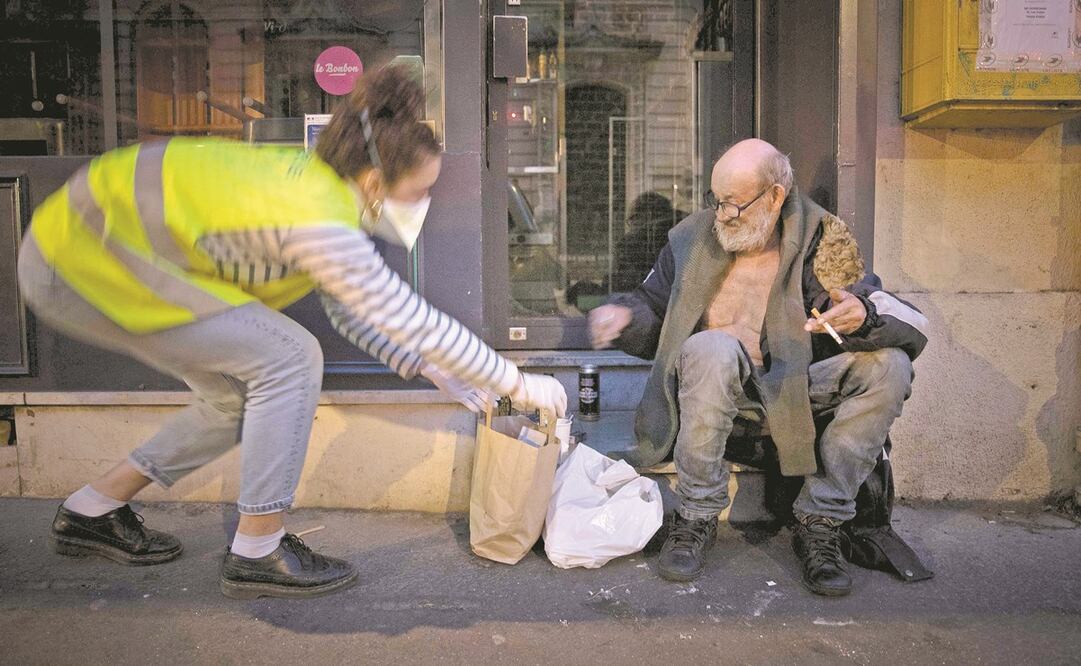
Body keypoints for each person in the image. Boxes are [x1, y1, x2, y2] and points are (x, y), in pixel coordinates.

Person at [17, 65, 567, 600]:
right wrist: (517, 382)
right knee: (289, 356)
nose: (422, 204)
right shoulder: (318, 216)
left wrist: (430, 368)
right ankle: (258, 551)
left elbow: (350, 310)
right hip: (83, 258)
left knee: (233, 399)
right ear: (376, 182)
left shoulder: (321, 191)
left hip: (88, 250)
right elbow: (403, 312)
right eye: (418, 191)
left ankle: (93, 510)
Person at [588, 139, 927, 596]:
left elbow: (904, 319)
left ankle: (820, 522)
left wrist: (863, 315)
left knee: (890, 365)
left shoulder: (823, 241)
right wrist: (625, 317)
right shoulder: (690, 239)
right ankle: (696, 516)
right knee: (711, 346)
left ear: (775, 195)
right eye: (717, 200)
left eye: (735, 203)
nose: (723, 214)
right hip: (719, 395)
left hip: (798, 396)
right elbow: (653, 307)